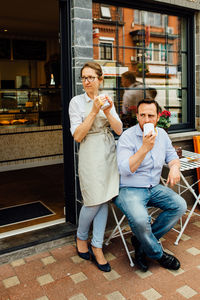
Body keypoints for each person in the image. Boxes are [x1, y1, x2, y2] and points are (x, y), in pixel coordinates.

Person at [114, 98, 187, 272]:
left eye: (151, 115)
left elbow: (172, 157)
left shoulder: (161, 134)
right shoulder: (127, 137)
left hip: (153, 187)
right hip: (129, 188)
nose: (147, 120)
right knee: (140, 220)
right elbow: (125, 169)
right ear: (137, 116)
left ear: (158, 117)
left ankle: (141, 242)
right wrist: (145, 147)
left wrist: (175, 168)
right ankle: (157, 254)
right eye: (143, 115)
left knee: (179, 205)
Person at [69, 61, 122, 272]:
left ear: (100, 79)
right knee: (92, 200)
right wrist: (93, 111)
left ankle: (97, 246)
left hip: (108, 152)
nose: (87, 81)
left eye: (91, 77)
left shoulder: (108, 99)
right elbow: (78, 136)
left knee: (105, 198)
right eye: (84, 77)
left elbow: (118, 129)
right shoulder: (76, 102)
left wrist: (108, 111)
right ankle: (81, 237)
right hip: (90, 152)